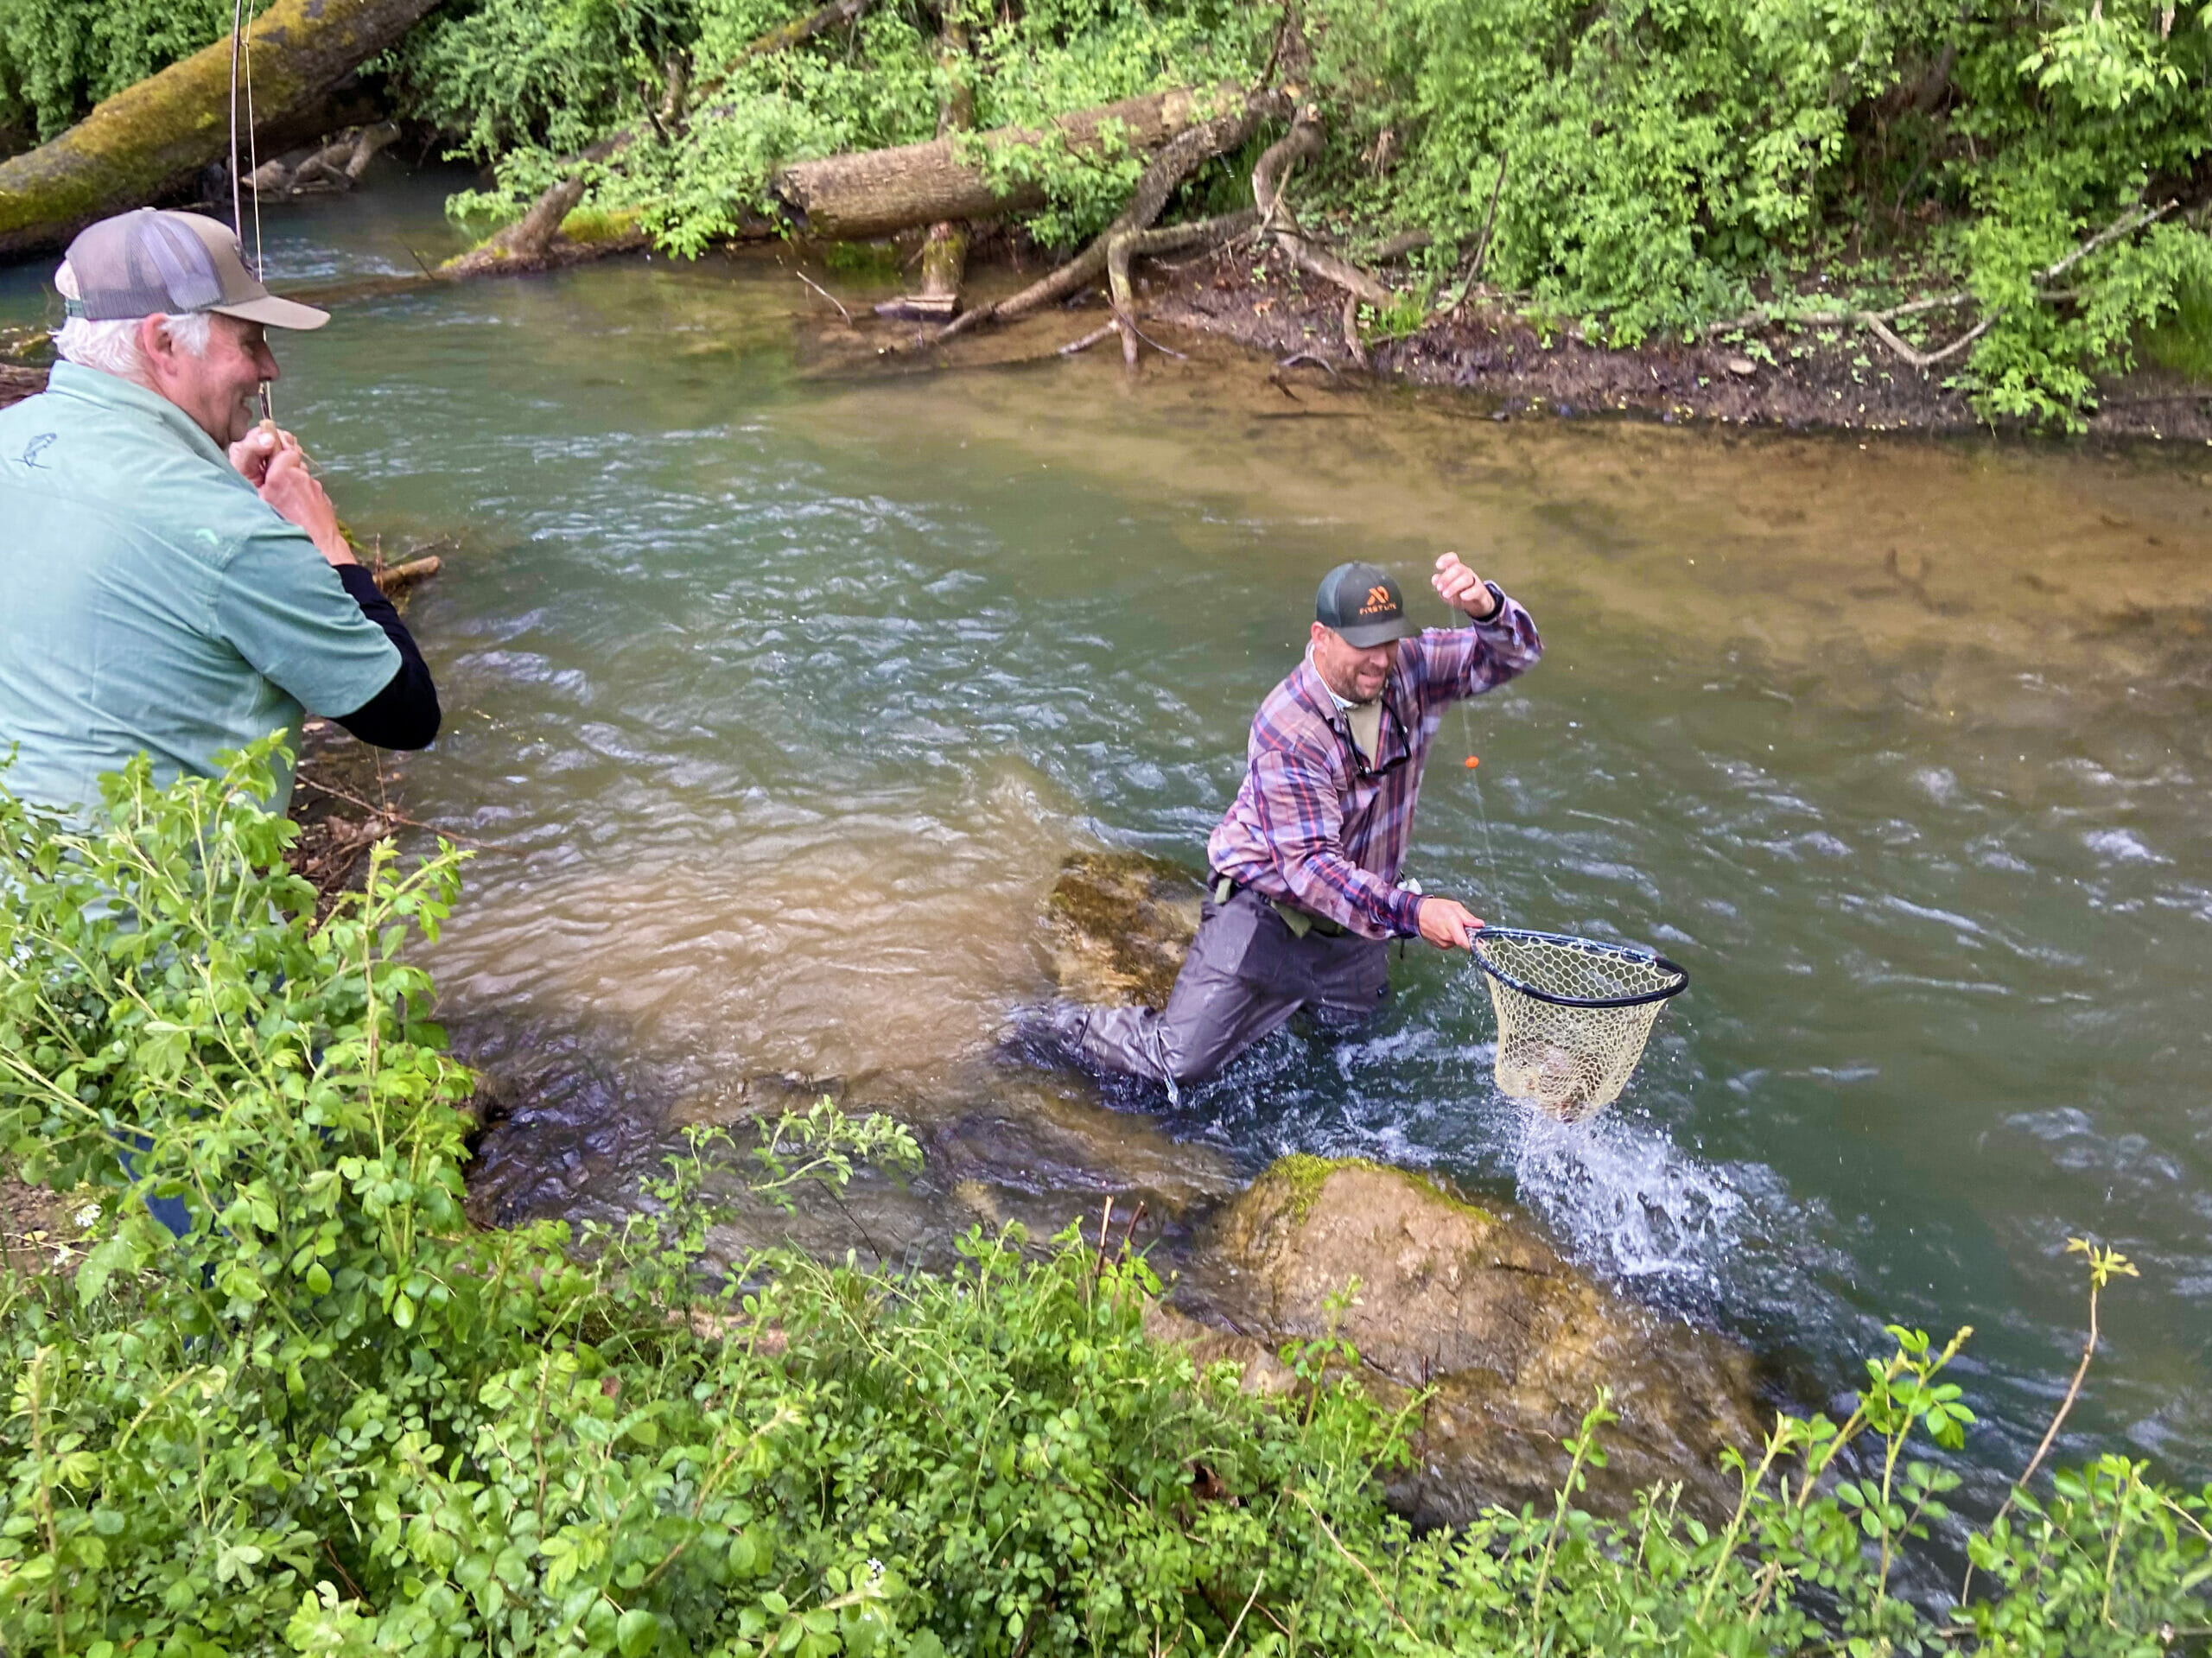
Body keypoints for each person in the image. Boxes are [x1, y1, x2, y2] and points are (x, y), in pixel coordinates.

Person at [0, 207, 438, 826]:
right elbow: (405, 711)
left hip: (29, 906)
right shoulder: (233, 533)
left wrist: (217, 478)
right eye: (251, 341)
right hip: (161, 914)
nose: (270, 368)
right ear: (164, 342)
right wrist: (322, 537)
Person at [1050, 553, 1541, 1086]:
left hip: (1355, 930)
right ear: (1321, 636)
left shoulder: (1410, 670)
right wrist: (1416, 912)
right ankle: (1054, 1026)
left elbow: (1516, 655)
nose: (1379, 660)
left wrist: (1486, 607)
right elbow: (1311, 869)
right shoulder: (1288, 727)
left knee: (1360, 1052)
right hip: (1266, 916)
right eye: (1363, 644)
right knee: (1180, 1065)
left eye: (1388, 640)